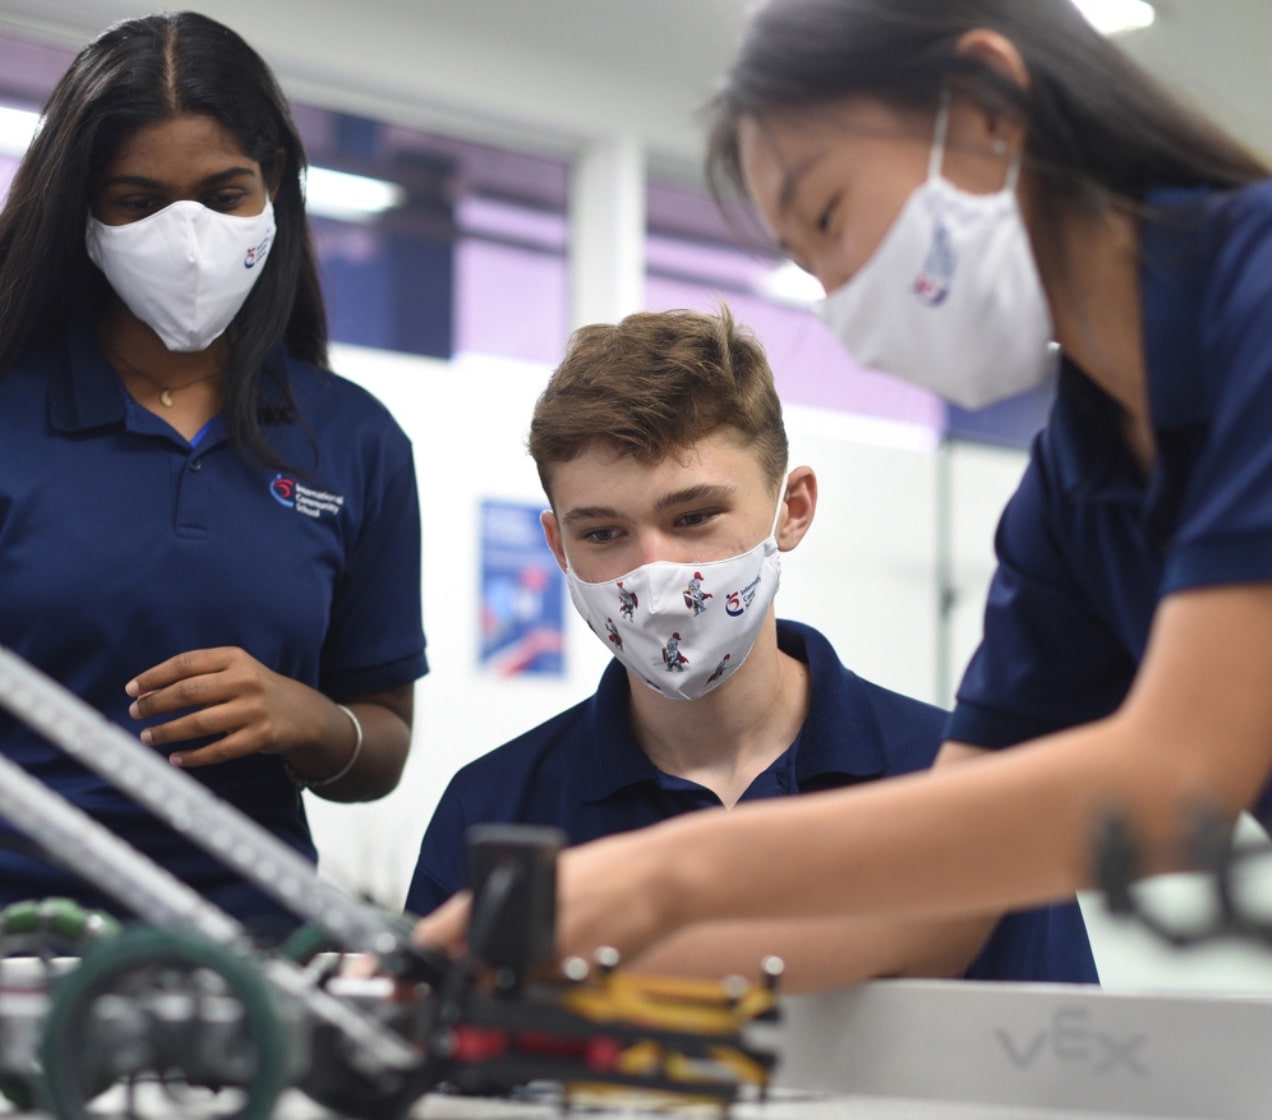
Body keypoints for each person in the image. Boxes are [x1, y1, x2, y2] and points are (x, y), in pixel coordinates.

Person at [418, 0, 1272, 969]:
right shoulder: (1079, 488)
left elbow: (1177, 783)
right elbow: (939, 901)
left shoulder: (1257, 297)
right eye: (807, 262)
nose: (842, 303)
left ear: (990, 106)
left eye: (829, 217)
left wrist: (675, 874)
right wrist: (499, 970)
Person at [0, 12, 427, 932]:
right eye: (138, 202)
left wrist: (307, 719)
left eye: (224, 193)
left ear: (273, 180)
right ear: (82, 208)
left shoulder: (355, 443)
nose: (187, 236)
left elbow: (380, 747)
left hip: (252, 959)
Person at [407, 306, 1096, 988]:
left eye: (695, 517)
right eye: (603, 534)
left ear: (791, 509)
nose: (656, 575)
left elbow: (1059, 1074)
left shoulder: (954, 782)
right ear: (558, 546)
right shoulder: (495, 812)